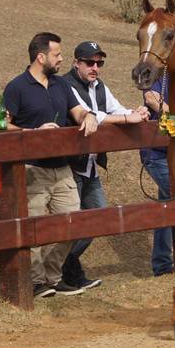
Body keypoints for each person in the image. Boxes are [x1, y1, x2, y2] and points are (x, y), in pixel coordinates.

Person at [2, 32, 99, 298]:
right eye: (57, 54)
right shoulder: (16, 87)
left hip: (61, 166)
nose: (61, 59)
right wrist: (32, 131)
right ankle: (35, 282)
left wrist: (87, 116)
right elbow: (2, 124)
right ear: (41, 56)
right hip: (31, 169)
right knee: (33, 227)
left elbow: (76, 110)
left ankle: (51, 276)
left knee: (72, 223)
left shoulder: (61, 85)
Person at [59, 41, 150, 291]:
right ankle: (63, 271)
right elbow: (91, 115)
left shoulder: (99, 86)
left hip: (89, 165)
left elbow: (116, 109)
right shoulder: (66, 85)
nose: (95, 67)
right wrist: (125, 118)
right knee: (71, 224)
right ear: (76, 62)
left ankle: (62, 267)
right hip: (71, 165)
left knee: (99, 219)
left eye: (99, 63)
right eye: (90, 62)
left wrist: (136, 112)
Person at [142, 78, 174, 276]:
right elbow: (151, 97)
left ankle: (162, 263)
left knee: (167, 206)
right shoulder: (161, 75)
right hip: (157, 153)